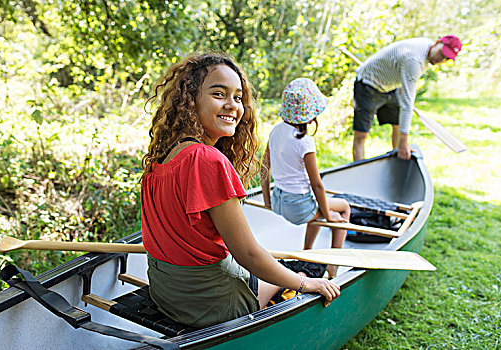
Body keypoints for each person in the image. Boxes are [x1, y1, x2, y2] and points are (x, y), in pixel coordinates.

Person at [140, 53, 340, 329]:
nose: (233, 106)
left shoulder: (160, 160)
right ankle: (306, 277)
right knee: (297, 272)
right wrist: (305, 283)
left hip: (166, 294)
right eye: (219, 93)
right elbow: (248, 253)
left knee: (261, 264)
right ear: (190, 98)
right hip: (212, 305)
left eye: (238, 97)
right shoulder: (207, 160)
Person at [261, 78, 351, 278]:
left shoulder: (275, 131)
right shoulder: (305, 142)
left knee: (320, 208)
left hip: (278, 202)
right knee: (343, 207)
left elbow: (264, 168)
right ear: (310, 116)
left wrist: (268, 202)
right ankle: (334, 265)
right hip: (299, 209)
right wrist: (329, 215)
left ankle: (307, 252)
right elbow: (317, 185)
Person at [352, 35, 462, 161]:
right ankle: (358, 171)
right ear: (437, 43)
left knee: (398, 126)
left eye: (446, 58)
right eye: (442, 54)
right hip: (368, 84)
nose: (441, 60)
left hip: (391, 87)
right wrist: (405, 142)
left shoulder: (427, 51)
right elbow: (407, 104)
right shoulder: (415, 59)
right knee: (361, 134)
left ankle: (398, 161)